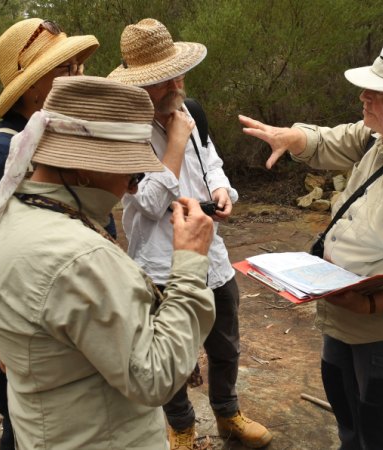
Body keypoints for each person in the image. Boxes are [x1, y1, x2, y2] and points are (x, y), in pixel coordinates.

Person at [239, 37, 383, 450]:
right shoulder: (377, 138)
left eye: (378, 91)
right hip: (342, 322)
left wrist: (368, 304)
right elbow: (328, 141)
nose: (363, 96)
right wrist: (290, 137)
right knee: (349, 418)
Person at [0, 75, 216, 449]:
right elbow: (155, 376)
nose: (134, 187)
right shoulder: (81, 258)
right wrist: (189, 263)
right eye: (131, 171)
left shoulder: (1, 217)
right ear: (86, 166)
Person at [108, 18, 272, 450]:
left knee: (226, 345)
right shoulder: (126, 128)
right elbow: (145, 202)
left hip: (211, 254)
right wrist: (176, 143)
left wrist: (222, 188)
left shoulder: (189, 109)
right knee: (172, 353)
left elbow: (210, 160)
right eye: (164, 80)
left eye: (177, 74)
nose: (176, 84)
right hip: (160, 263)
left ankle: (227, 413)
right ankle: (181, 426)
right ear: (140, 84)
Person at [0, 18, 98, 450]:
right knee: (24, 428)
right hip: (18, 335)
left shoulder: (52, 136)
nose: (78, 75)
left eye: (76, 66)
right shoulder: (3, 151)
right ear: (34, 88)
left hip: (57, 323)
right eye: (66, 69)